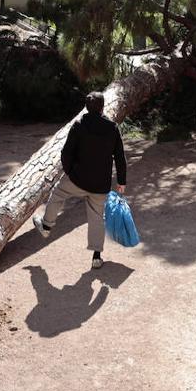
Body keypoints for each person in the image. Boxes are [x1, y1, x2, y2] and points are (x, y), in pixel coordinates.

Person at [33, 91, 127, 270]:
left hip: (77, 180)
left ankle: (46, 225)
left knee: (58, 194)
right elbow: (120, 157)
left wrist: (70, 172)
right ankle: (96, 257)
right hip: (100, 185)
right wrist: (121, 182)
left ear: (86, 107)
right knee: (97, 218)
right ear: (102, 107)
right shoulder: (112, 128)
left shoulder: (78, 125)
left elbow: (66, 153)